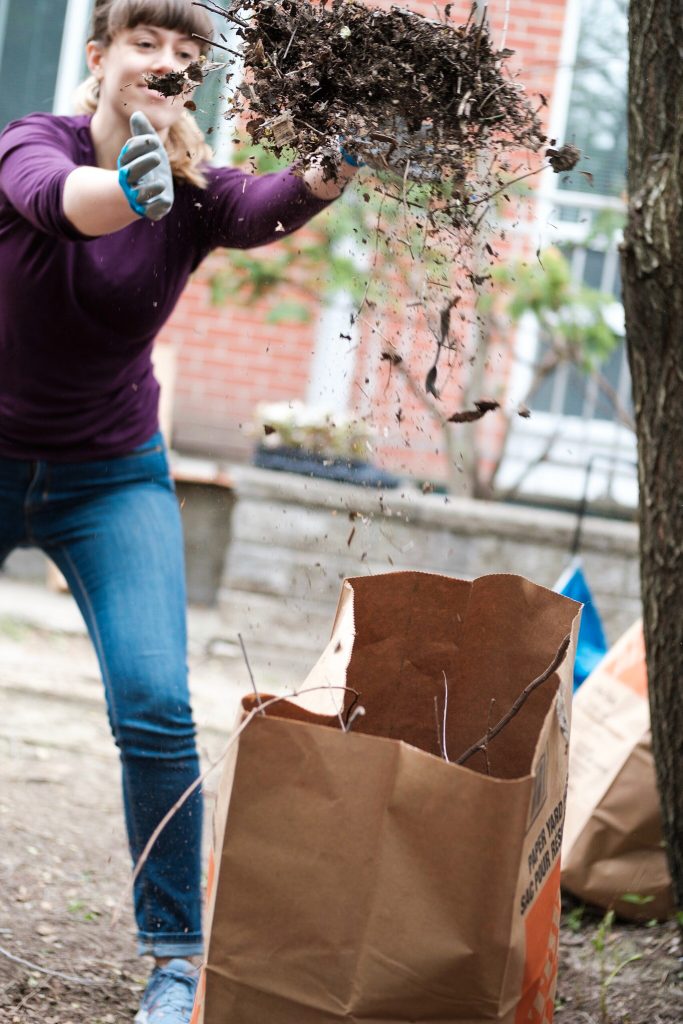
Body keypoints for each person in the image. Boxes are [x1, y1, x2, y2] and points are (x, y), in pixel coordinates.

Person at [0, 1, 359, 1021]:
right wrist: (128, 185)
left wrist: (329, 171)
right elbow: (56, 200)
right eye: (145, 44)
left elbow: (266, 206)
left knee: (156, 704)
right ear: (102, 57)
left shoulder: (197, 193)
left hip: (109, 474)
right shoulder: (33, 142)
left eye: (184, 52)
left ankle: (174, 958)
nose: (164, 62)